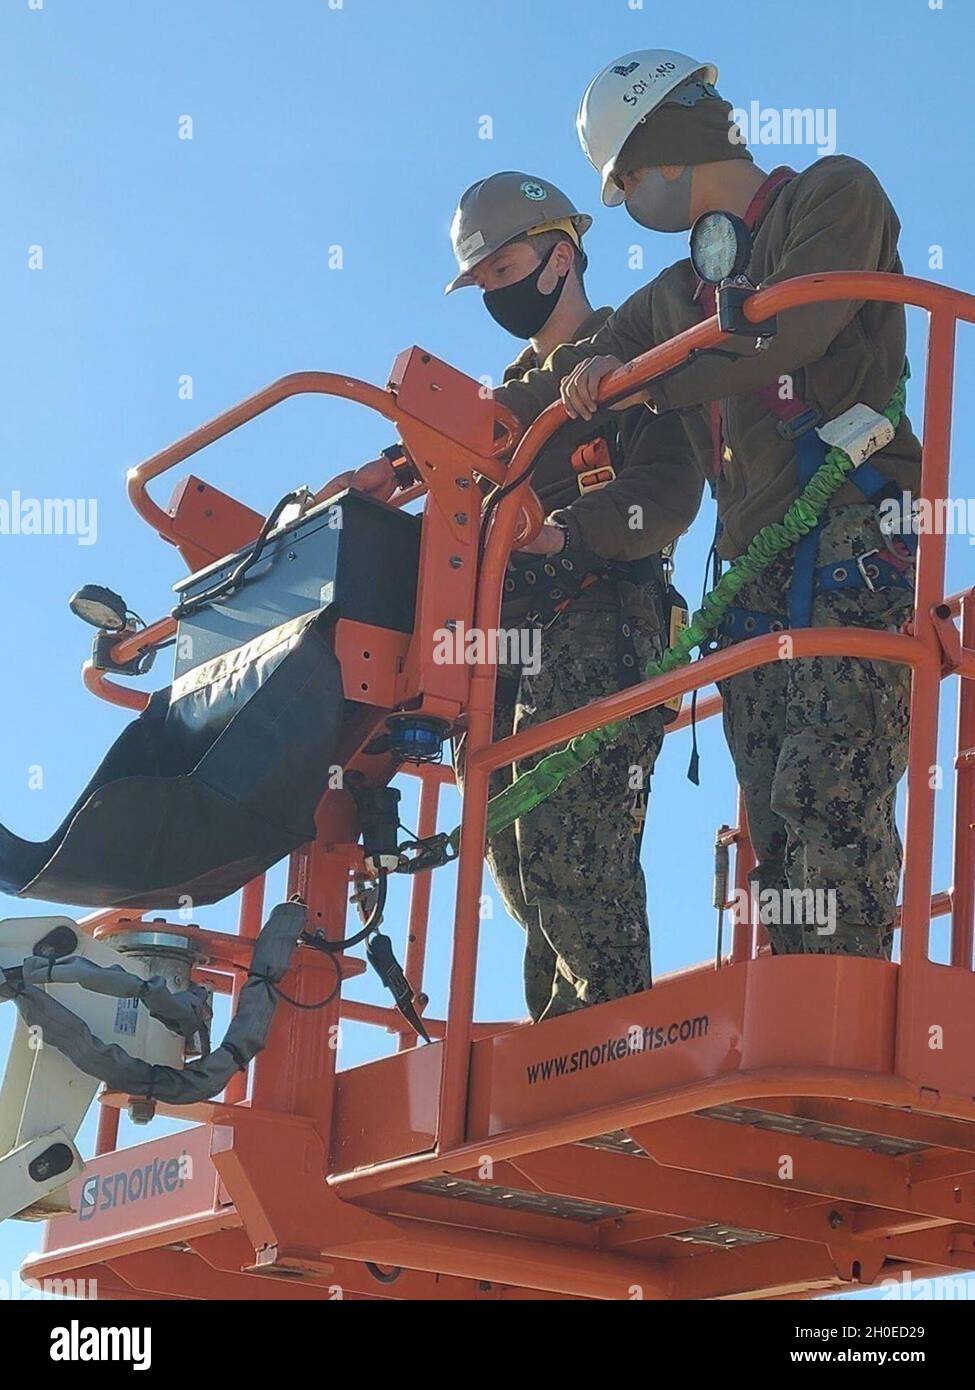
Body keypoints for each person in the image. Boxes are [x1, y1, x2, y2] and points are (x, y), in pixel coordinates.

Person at [491, 50, 922, 961]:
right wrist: (423, 439)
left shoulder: (832, 194)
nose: (630, 201)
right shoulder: (681, 287)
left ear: (667, 144)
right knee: (772, 805)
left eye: (629, 179)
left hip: (849, 532)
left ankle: (834, 1011)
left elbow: (793, 327)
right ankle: (799, 1000)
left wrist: (644, 383)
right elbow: (575, 377)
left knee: (825, 792)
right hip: (752, 572)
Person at [344, 171, 701, 1019]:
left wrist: (565, 533)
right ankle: (559, 1056)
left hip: (603, 616)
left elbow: (668, 490)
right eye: (483, 281)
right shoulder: (493, 407)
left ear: (561, 257)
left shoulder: (632, 351)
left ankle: (608, 1054)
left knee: (574, 846)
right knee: (514, 856)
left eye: (504, 270)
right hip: (506, 647)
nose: (493, 293)